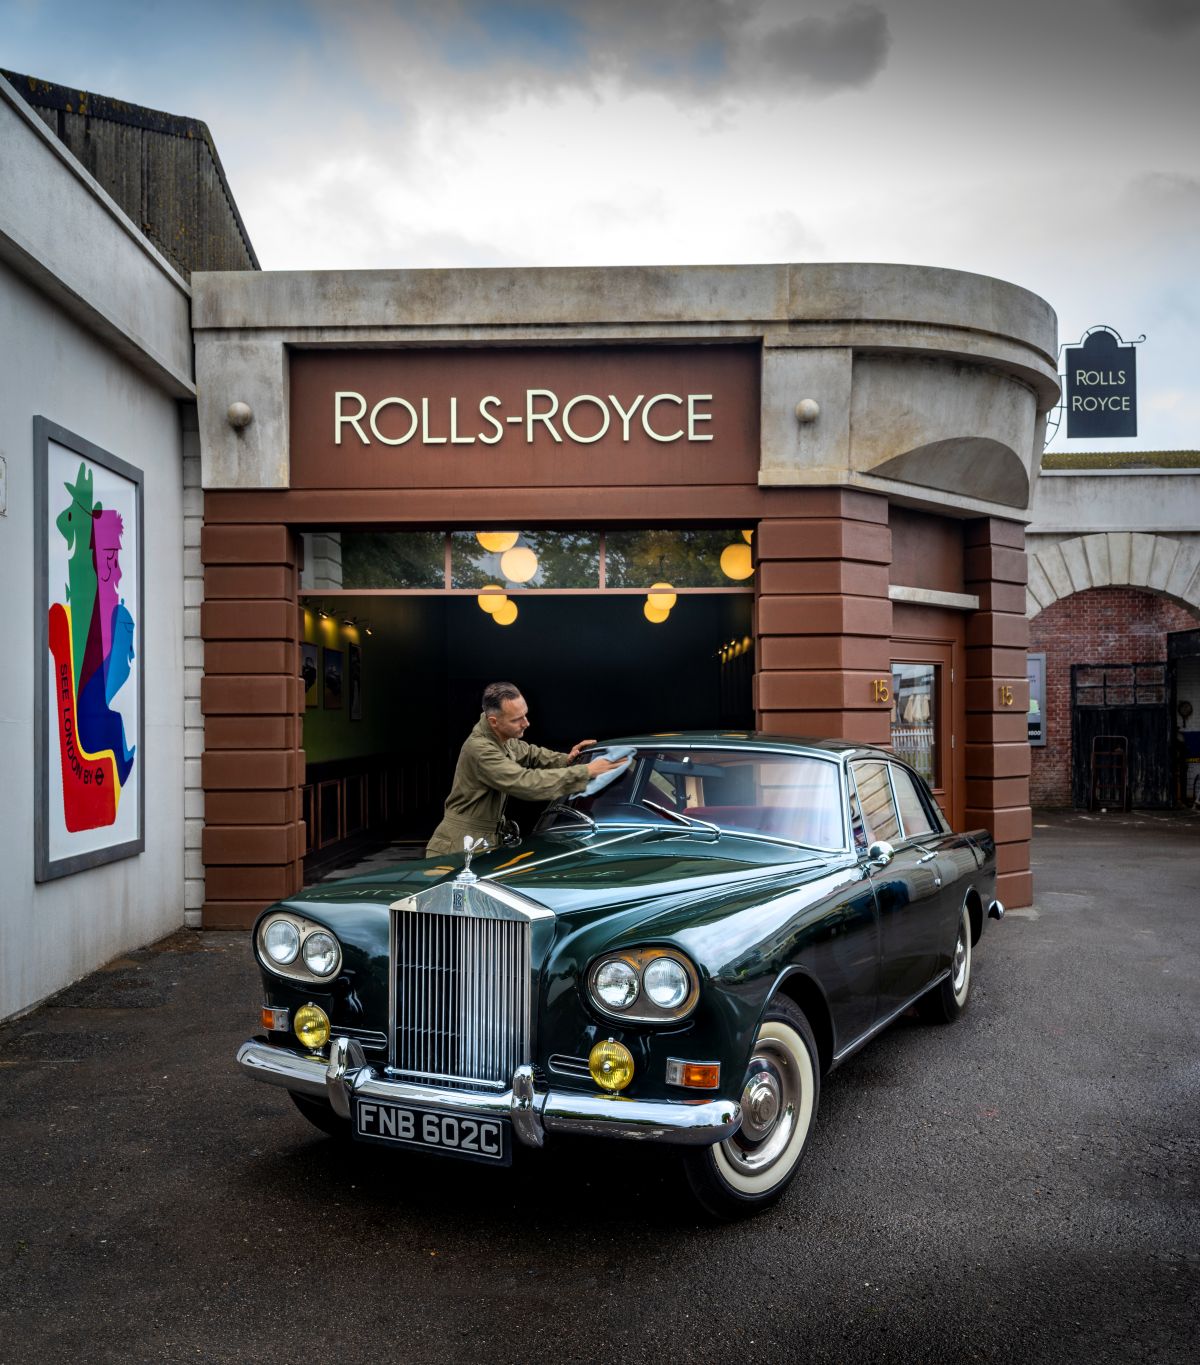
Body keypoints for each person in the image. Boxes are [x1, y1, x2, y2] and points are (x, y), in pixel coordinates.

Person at [425, 681, 627, 857]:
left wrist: (568, 759)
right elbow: (524, 783)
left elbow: (530, 753)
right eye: (516, 719)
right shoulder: (481, 750)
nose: (526, 723)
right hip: (459, 846)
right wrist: (586, 771)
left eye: (525, 715)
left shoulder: (501, 739)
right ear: (494, 722)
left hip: (482, 841)